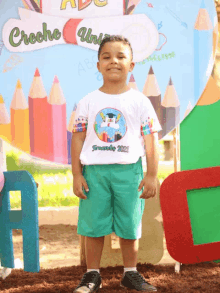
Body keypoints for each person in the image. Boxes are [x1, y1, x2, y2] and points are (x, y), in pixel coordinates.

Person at [71, 35, 162, 292]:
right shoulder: (87, 102)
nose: (114, 61)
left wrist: (152, 174)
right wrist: (77, 174)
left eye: (121, 57)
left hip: (129, 172)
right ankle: (92, 275)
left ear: (131, 65)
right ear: (98, 64)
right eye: (106, 57)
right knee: (93, 224)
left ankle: (130, 273)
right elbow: (77, 139)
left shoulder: (140, 102)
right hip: (94, 173)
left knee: (129, 223)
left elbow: (150, 140)